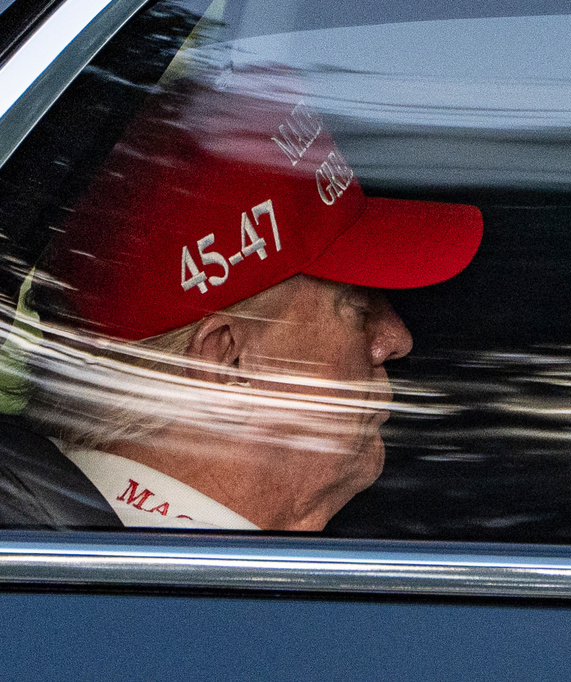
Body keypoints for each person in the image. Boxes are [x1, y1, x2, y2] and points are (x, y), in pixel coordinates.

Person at [6, 79, 483, 531]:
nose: (397, 340)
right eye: (358, 309)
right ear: (228, 363)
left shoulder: (76, 561)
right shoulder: (178, 604)